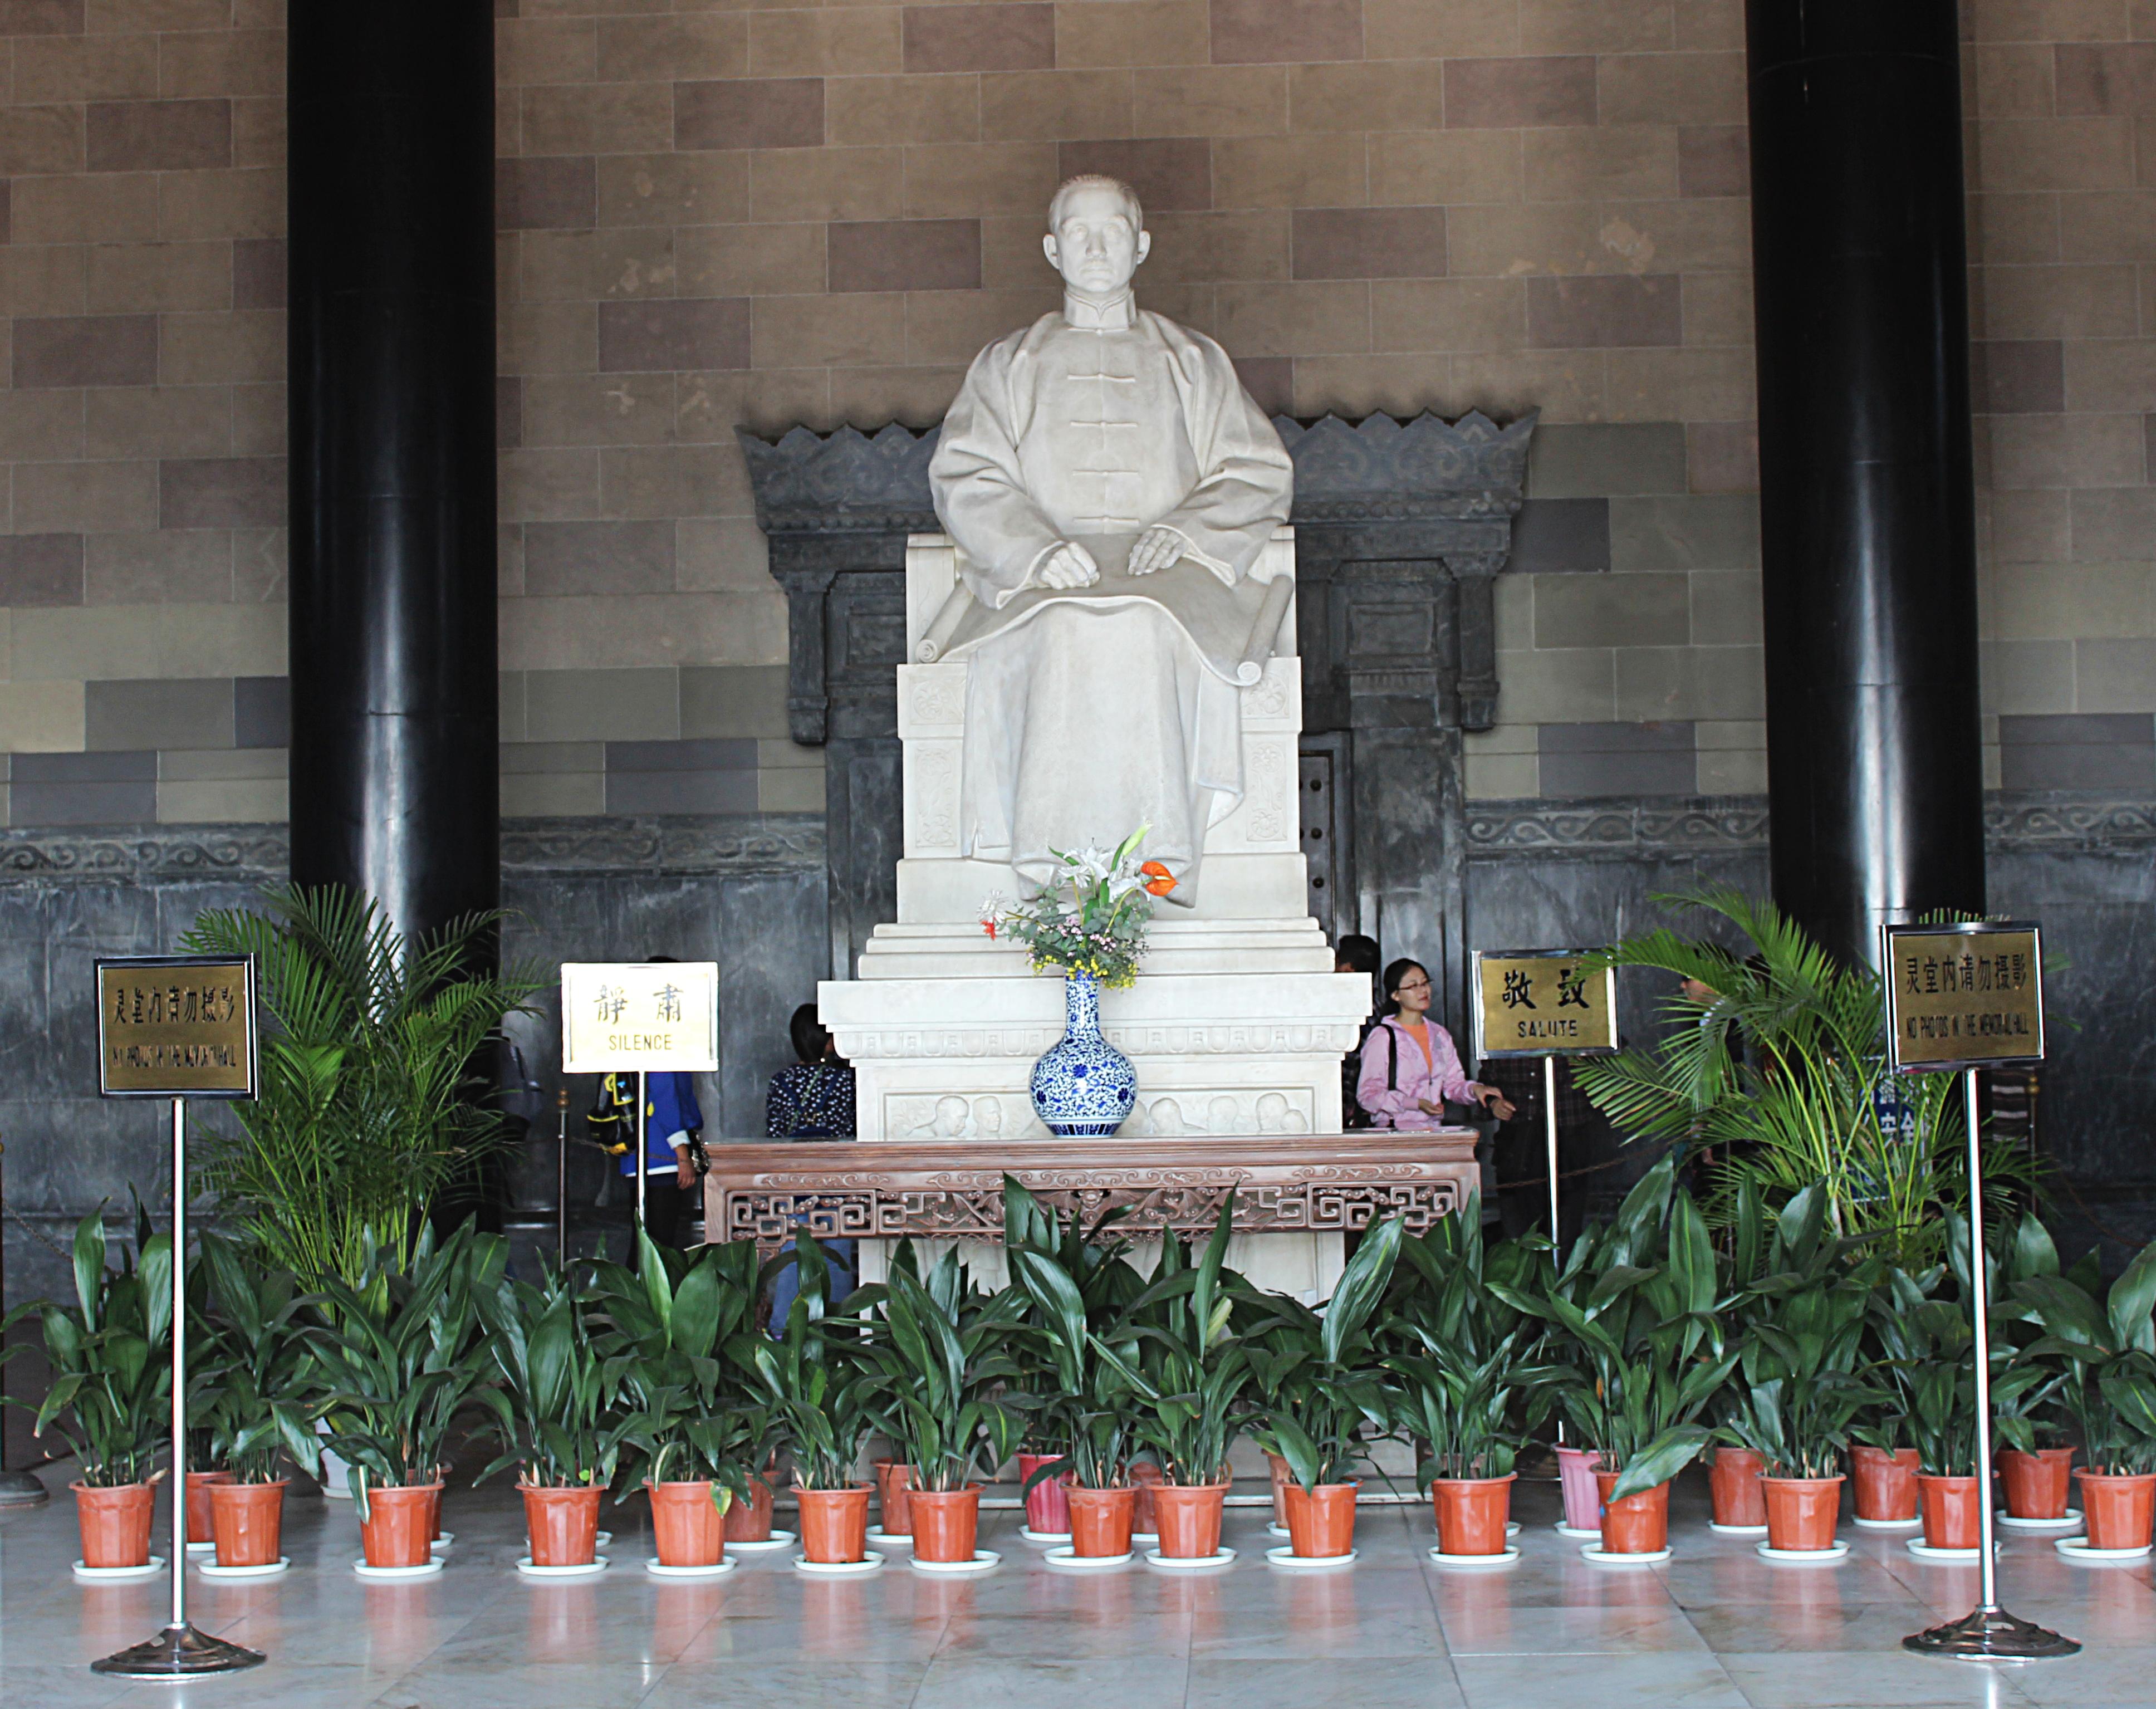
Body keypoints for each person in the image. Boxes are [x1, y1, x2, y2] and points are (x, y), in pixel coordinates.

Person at [927, 173, 1295, 900]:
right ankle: (1057, 864)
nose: (1097, 248)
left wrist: (1186, 533)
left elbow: (1257, 468)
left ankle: (1155, 865)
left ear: (1142, 244)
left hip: (1174, 573)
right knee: (1067, 627)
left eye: (1114, 231)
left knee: (1146, 625)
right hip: (1040, 580)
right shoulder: (1010, 363)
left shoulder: (1193, 360)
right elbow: (965, 471)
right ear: (1051, 249)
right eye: (1077, 233)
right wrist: (1031, 549)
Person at [763, 1003, 857, 1323]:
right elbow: (852, 1130)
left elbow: (774, 1133)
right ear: (826, 1040)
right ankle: (837, 1322)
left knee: (793, 1248)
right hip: (834, 1176)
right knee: (838, 1247)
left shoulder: (781, 1081)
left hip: (793, 1178)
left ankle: (783, 1324)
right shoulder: (844, 1082)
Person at [1356, 958, 1516, 1132]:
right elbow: (1368, 1096)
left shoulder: (1439, 1034)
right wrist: (1414, 1104)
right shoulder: (1383, 1036)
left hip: (1433, 1132)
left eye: (1425, 983)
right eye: (1413, 986)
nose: (1423, 990)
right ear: (1396, 995)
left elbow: (1454, 1085)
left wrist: (1475, 1090)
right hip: (1395, 1133)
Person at [1334, 933, 1382, 1128]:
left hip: (1351, 1109)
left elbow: (1350, 1067)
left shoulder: (1355, 1012)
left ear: (1348, 969)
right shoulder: (1376, 1007)